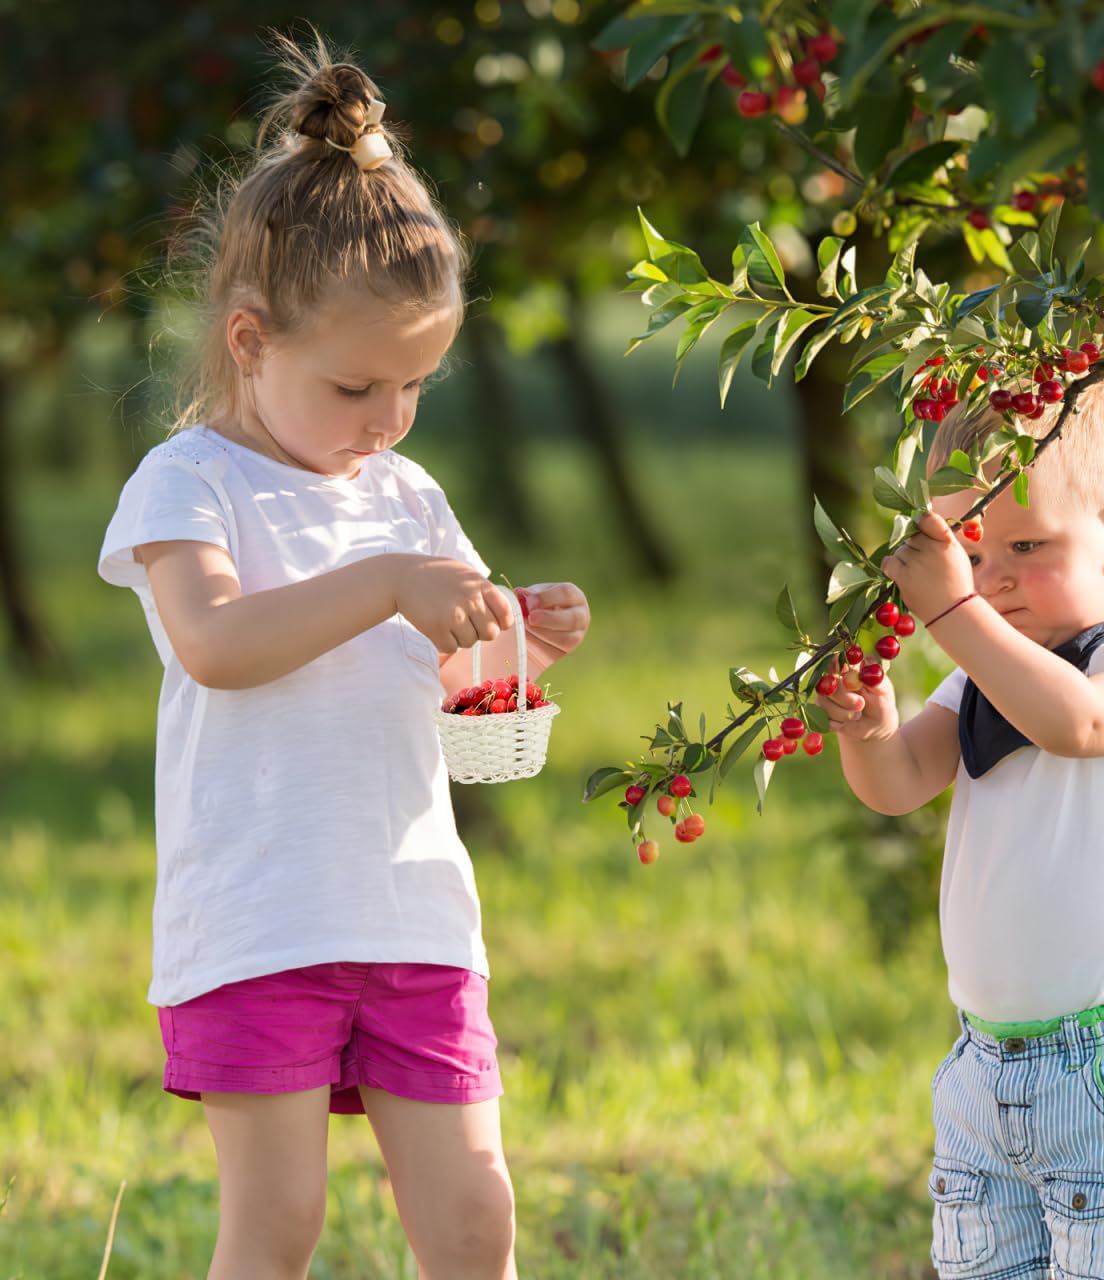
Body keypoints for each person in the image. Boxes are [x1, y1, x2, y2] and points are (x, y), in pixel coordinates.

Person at [97, 32, 589, 1280]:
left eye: (416, 386)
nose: (387, 422)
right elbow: (213, 643)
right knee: (277, 1227)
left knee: (476, 1227)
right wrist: (383, 585)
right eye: (359, 386)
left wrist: (513, 629)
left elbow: (452, 671)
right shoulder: (188, 484)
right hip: (261, 920)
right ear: (252, 339)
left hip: (414, 911)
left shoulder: (406, 492)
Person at [817, 376, 1104, 1278]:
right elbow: (899, 782)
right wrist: (870, 725)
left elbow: (1074, 723)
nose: (988, 579)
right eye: (968, 550)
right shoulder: (982, 677)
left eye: (1023, 546)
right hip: (980, 1075)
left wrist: (953, 616)